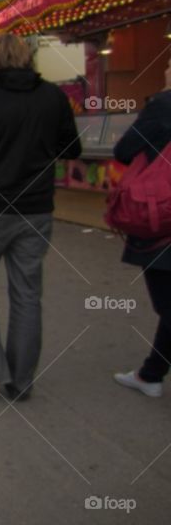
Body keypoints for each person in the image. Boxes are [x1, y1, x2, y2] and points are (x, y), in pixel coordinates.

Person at [0, 33, 81, 401]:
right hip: (36, 209)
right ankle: (21, 379)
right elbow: (72, 147)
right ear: (29, 58)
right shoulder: (52, 96)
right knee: (27, 292)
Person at [112, 59, 171, 398]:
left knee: (167, 303)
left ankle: (151, 374)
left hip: (161, 217)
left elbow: (124, 150)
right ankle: (151, 373)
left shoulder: (163, 105)